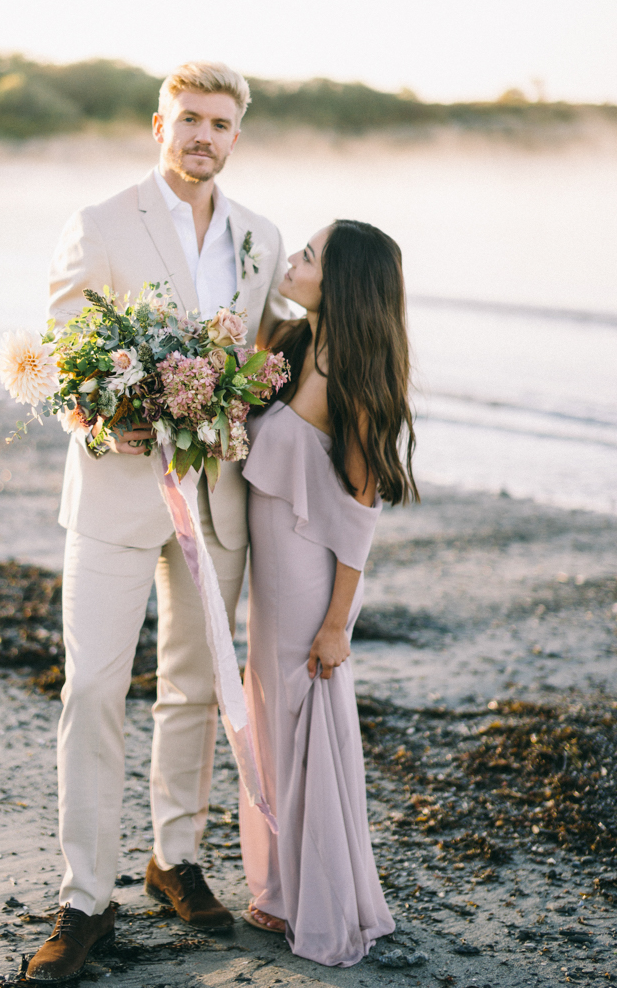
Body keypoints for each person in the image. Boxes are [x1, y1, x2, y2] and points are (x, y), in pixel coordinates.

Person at [26, 62, 290, 984]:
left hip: (220, 501)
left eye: (219, 123)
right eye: (188, 120)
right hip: (113, 495)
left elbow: (272, 356)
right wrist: (96, 413)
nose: (202, 136)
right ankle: (84, 900)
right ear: (158, 124)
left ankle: (175, 859)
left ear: (236, 135)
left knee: (195, 689)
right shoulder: (100, 223)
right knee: (92, 690)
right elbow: (54, 358)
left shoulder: (262, 235)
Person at [238, 219, 418, 967]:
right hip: (270, 579)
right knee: (272, 723)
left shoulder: (352, 378)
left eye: (308, 255)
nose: (294, 260)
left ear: (340, 282)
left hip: (308, 579)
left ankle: (316, 900)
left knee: (304, 723)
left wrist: (338, 624)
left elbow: (358, 515)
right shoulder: (296, 345)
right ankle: (281, 889)